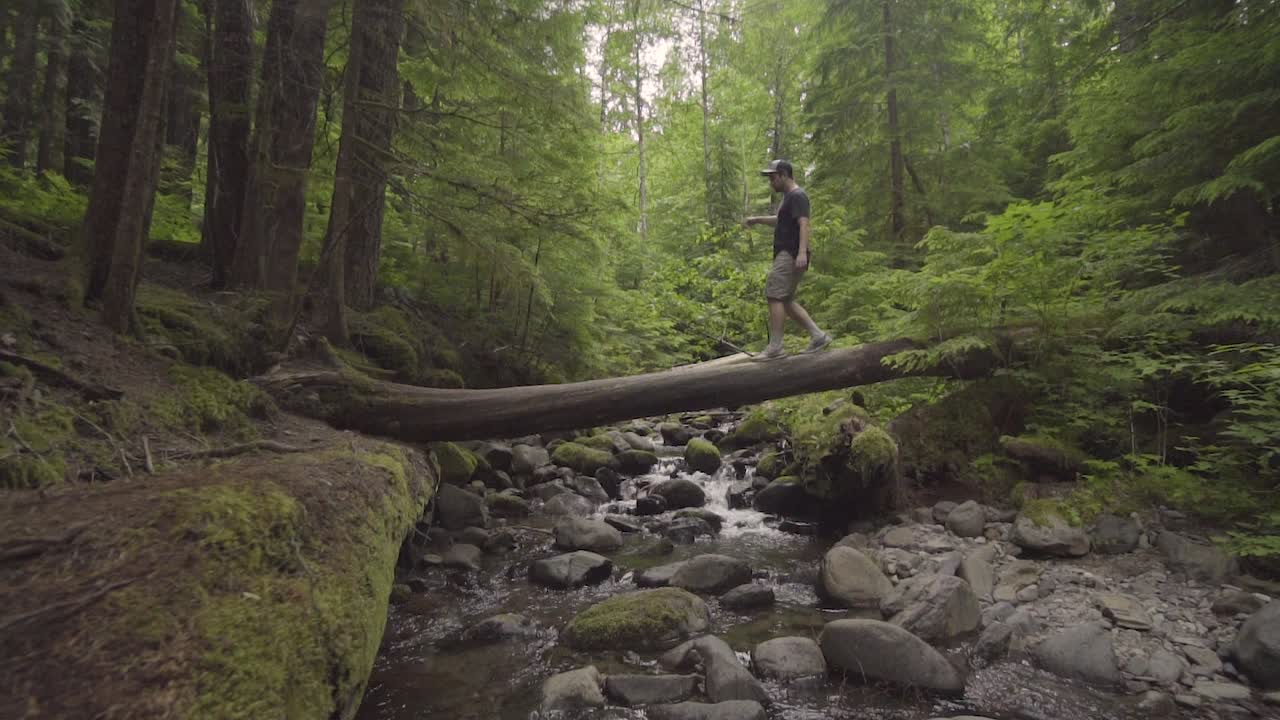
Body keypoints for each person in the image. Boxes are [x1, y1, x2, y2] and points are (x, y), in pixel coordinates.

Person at [742, 159, 832, 360]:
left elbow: (804, 224)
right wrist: (756, 220)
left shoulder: (798, 196)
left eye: (773, 177)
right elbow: (780, 221)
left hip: (790, 253)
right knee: (786, 299)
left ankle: (775, 347)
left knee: (774, 295)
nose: (771, 182)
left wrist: (801, 253)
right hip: (791, 253)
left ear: (783, 175)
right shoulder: (789, 198)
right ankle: (818, 336)